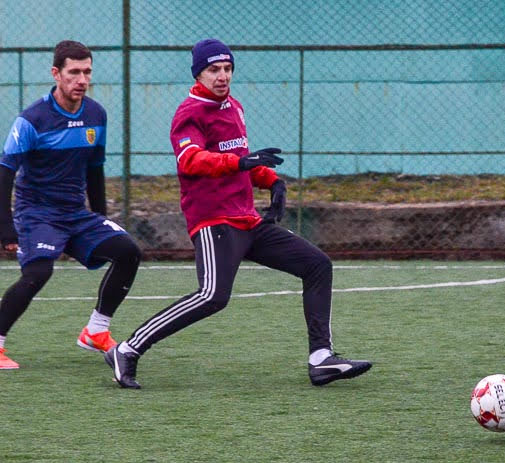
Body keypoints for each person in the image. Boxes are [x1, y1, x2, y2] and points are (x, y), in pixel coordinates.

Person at [104, 38, 371, 388]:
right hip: (214, 222)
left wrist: (272, 181)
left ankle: (321, 359)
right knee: (212, 295)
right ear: (198, 73)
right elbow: (191, 160)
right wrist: (241, 162)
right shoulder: (190, 112)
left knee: (317, 265)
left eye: (227, 68)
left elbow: (243, 161)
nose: (222, 76)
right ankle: (128, 349)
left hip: (247, 220)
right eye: (214, 69)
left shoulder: (234, 107)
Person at [0, 40, 141, 369]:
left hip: (76, 214)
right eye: (74, 72)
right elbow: (5, 172)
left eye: (87, 72)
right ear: (56, 73)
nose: (82, 79)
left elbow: (95, 169)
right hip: (37, 214)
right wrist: (6, 226)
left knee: (128, 251)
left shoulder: (96, 114)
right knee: (38, 272)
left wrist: (101, 217)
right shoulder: (33, 119)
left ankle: (96, 331)